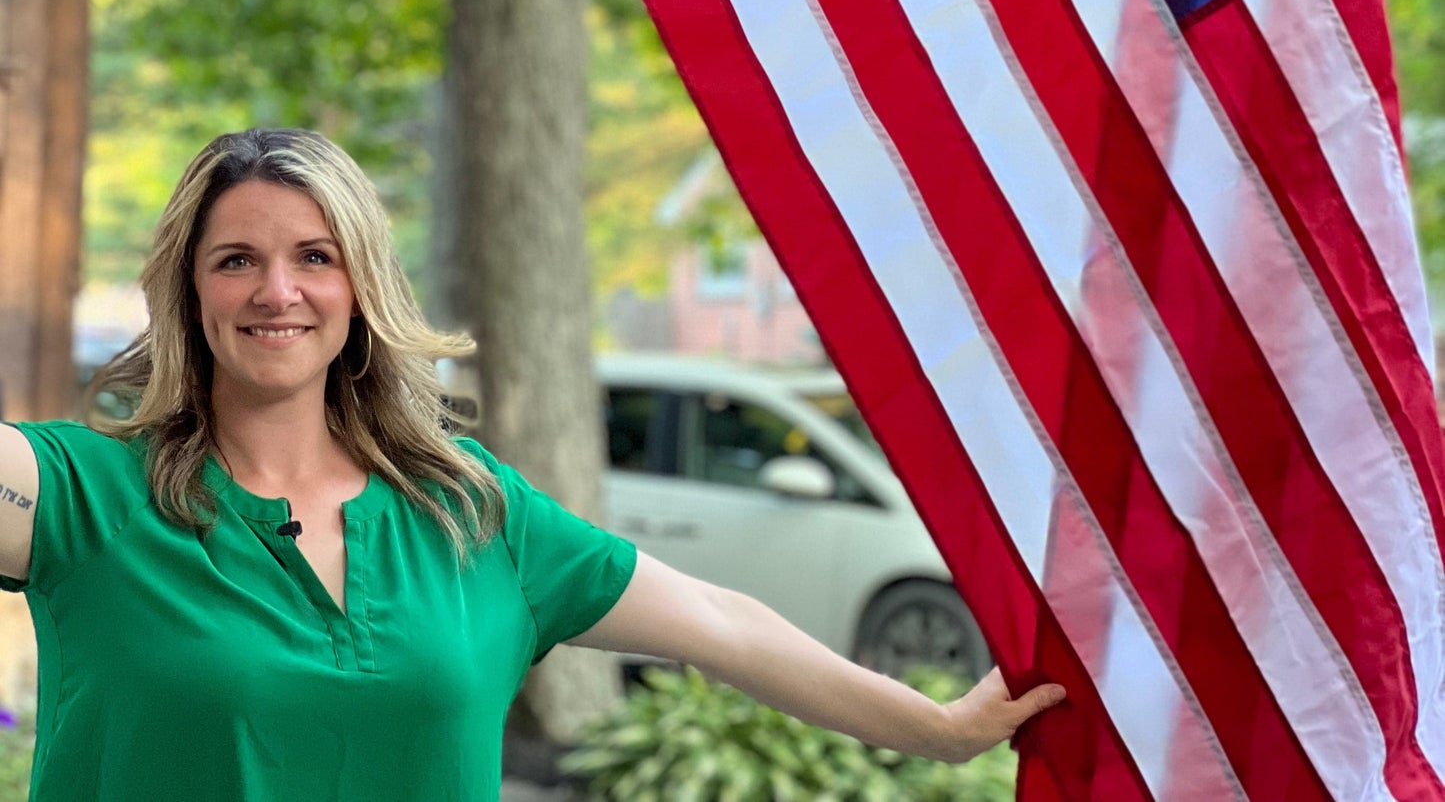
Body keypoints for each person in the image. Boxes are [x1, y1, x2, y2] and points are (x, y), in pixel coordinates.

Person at [0, 128, 1065, 801]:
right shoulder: (84, 496)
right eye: (236, 260)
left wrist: (937, 729)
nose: (276, 289)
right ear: (190, 294)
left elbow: (722, 624)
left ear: (360, 286)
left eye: (314, 257)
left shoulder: (469, 513)